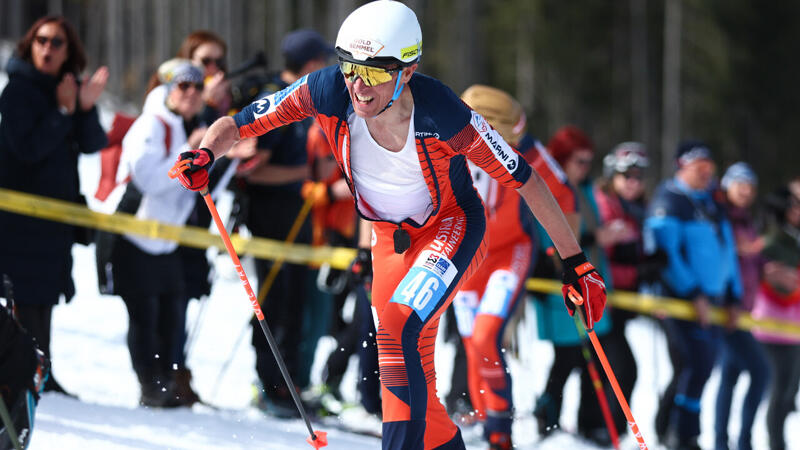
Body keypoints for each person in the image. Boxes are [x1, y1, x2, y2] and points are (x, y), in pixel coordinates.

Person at [171, 2, 606, 448]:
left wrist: (576, 263)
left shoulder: (444, 114)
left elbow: (526, 180)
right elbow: (239, 124)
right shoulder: (325, 89)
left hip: (449, 227)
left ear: (408, 70)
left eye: (374, 73)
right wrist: (204, 154)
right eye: (350, 67)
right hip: (388, 240)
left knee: (398, 330)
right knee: (404, 372)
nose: (358, 86)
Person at [0, 15, 108, 396]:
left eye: (57, 42)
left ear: (68, 51)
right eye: (41, 40)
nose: (48, 48)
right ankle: (22, 375)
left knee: (45, 298)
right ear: (29, 45)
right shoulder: (17, 91)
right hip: (19, 222)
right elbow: (26, 150)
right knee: (22, 299)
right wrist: (63, 112)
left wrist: (84, 107)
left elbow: (93, 143)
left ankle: (40, 371)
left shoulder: (66, 89)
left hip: (54, 222)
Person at [233, 28, 334, 417]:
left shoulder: (302, 99)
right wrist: (304, 175)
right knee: (274, 301)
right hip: (271, 215)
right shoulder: (275, 100)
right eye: (321, 61)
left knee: (295, 303)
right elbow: (251, 170)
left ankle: (289, 384)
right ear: (311, 63)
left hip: (296, 212)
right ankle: (269, 384)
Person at [113, 60, 213, 407]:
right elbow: (150, 180)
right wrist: (189, 151)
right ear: (168, 89)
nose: (192, 93)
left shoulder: (189, 126)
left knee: (171, 315)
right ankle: (150, 385)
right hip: (136, 236)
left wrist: (229, 162)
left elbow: (197, 189)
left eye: (198, 87)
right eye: (183, 85)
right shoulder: (152, 123)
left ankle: (166, 383)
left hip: (166, 239)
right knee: (146, 315)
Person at [451, 84, 535, 449]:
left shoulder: (525, 151)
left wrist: (569, 256)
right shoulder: (445, 147)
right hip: (468, 259)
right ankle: (489, 426)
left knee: (486, 337)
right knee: (472, 346)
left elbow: (563, 195)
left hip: (507, 254)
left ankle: (500, 427)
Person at [645, 140, 742, 449]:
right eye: (698, 167)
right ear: (682, 166)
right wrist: (693, 293)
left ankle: (673, 429)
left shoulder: (712, 202)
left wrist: (734, 296)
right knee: (695, 365)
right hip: (681, 299)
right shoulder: (670, 200)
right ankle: (681, 433)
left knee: (701, 367)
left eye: (709, 167)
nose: (705, 173)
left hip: (714, 299)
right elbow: (667, 255)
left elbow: (728, 253)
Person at [531, 125, 624, 446]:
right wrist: (596, 238)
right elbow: (551, 243)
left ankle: (586, 425)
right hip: (562, 290)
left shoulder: (583, 190)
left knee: (590, 361)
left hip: (586, 284)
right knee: (568, 359)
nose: (585, 167)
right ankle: (548, 421)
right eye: (579, 161)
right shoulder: (551, 189)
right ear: (562, 159)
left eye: (589, 161)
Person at [594, 141, 664, 434]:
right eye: (626, 176)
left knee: (614, 369)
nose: (633, 182)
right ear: (612, 175)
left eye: (638, 176)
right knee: (620, 368)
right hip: (602, 304)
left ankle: (605, 429)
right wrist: (638, 272)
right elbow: (602, 263)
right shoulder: (604, 206)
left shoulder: (638, 210)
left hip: (621, 305)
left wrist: (650, 264)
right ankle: (603, 428)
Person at [713, 162, 769, 450]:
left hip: (742, 310)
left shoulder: (747, 220)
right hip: (725, 309)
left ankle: (723, 442)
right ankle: (740, 441)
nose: (746, 191)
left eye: (750, 186)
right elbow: (718, 258)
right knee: (761, 372)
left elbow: (754, 261)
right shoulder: (719, 216)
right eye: (740, 185)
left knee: (730, 376)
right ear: (727, 186)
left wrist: (768, 267)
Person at [751, 189, 800, 450]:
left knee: (787, 394)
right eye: (793, 206)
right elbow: (768, 277)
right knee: (778, 393)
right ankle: (776, 444)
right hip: (771, 325)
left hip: (793, 327)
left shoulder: (792, 238)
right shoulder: (770, 240)